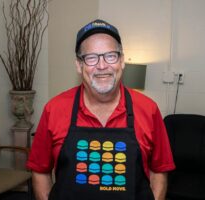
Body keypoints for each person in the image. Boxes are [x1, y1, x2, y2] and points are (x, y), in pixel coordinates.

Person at [27, 19, 175, 200]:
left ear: (121, 61)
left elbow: (159, 172)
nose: (102, 65)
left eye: (110, 56)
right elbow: (40, 171)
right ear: (79, 66)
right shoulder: (54, 109)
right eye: (91, 57)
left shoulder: (148, 109)